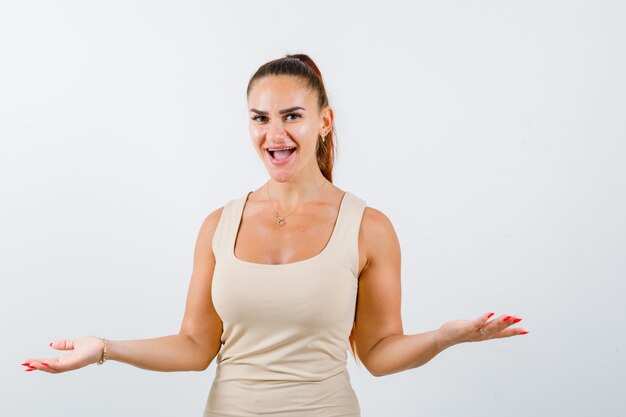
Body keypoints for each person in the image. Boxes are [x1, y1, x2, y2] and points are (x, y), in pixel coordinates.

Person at [22, 54, 528, 416]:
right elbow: (196, 346)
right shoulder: (218, 225)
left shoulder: (368, 228)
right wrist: (104, 348)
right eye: (260, 118)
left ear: (324, 122)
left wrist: (443, 337)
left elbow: (377, 353)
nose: (274, 134)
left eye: (292, 116)